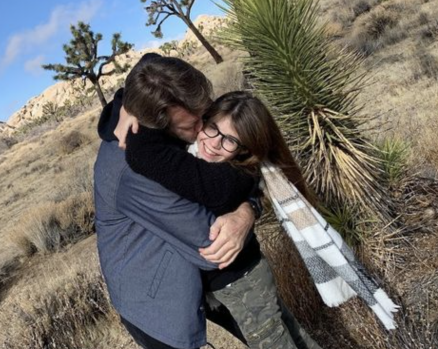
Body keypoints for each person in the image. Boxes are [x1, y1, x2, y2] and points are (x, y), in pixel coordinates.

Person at [95, 54, 320, 349]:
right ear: (160, 121)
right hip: (157, 302)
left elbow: (148, 64)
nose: (203, 130)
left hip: (205, 277)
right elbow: (211, 242)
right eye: (193, 123)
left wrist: (245, 211)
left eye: (205, 116)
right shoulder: (137, 171)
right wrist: (247, 201)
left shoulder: (149, 118)